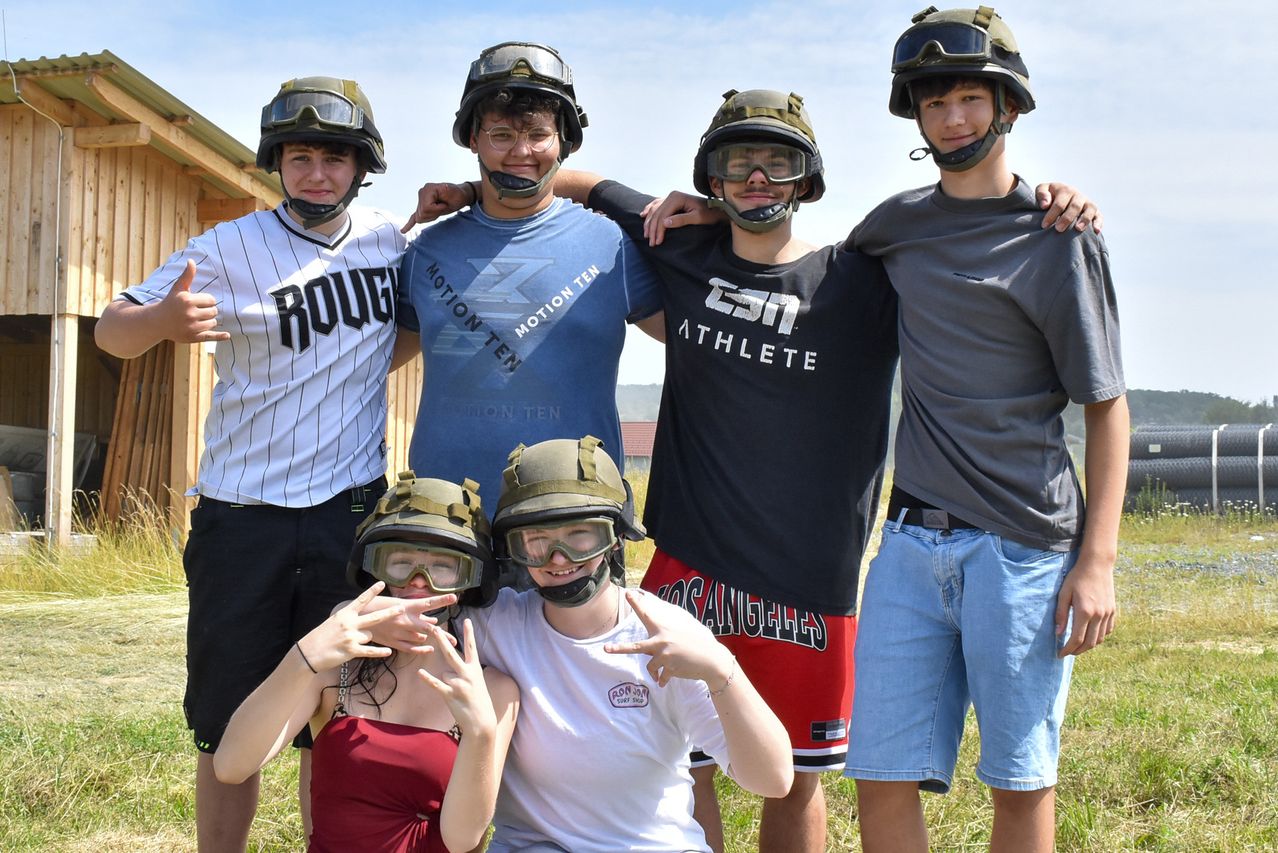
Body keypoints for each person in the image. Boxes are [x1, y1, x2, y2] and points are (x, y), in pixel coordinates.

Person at [407, 87, 1096, 853]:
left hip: (810, 573)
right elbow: (571, 180)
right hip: (689, 556)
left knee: (795, 777)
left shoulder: (862, 275)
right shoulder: (679, 248)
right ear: (711, 181)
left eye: (778, 163)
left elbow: (962, 237)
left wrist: (1040, 201)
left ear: (808, 178)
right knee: (684, 759)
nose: (757, 179)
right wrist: (471, 192)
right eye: (737, 165)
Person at [838, 8, 1130, 853]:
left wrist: (1097, 561)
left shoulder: (1059, 238)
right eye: (935, 104)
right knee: (879, 773)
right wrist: (705, 212)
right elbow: (793, 264)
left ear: (1009, 106)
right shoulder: (893, 227)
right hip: (908, 545)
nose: (953, 119)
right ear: (915, 118)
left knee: (1019, 779)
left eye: (971, 97)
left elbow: (1107, 407)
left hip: (1026, 551)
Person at [94, 77, 408, 851]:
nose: (316, 174)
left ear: (362, 166)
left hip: (350, 512)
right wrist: (163, 319)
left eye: (335, 157)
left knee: (338, 713)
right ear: (275, 162)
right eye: (298, 156)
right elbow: (110, 330)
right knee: (229, 720)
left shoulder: (388, 238)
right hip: (243, 518)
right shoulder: (226, 247)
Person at [476, 435, 793, 851]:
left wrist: (721, 669)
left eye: (580, 535)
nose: (558, 557)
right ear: (512, 550)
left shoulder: (666, 634)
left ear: (617, 537)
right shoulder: (494, 627)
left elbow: (771, 779)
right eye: (536, 539)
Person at [394, 42, 664, 509]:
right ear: (472, 139)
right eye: (500, 135)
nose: (522, 152)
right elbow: (363, 362)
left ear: (564, 142)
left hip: (577, 520)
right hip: (445, 521)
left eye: (538, 134)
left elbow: (698, 344)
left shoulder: (613, 248)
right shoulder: (425, 252)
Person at [214, 473, 519, 852]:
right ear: (373, 568)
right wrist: (302, 658)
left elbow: (462, 839)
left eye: (444, 566)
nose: (418, 581)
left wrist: (480, 734)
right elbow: (230, 766)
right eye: (399, 562)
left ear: (470, 579)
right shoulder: (335, 669)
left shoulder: (495, 691)